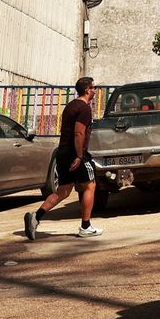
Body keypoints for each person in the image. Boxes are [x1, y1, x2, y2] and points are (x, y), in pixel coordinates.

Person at [24, 76, 102, 240]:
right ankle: (85, 226)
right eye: (94, 88)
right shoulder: (84, 108)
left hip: (63, 152)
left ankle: (35, 217)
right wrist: (80, 156)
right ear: (87, 89)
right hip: (75, 153)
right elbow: (79, 133)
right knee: (90, 185)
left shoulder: (70, 106)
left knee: (64, 191)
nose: (95, 91)